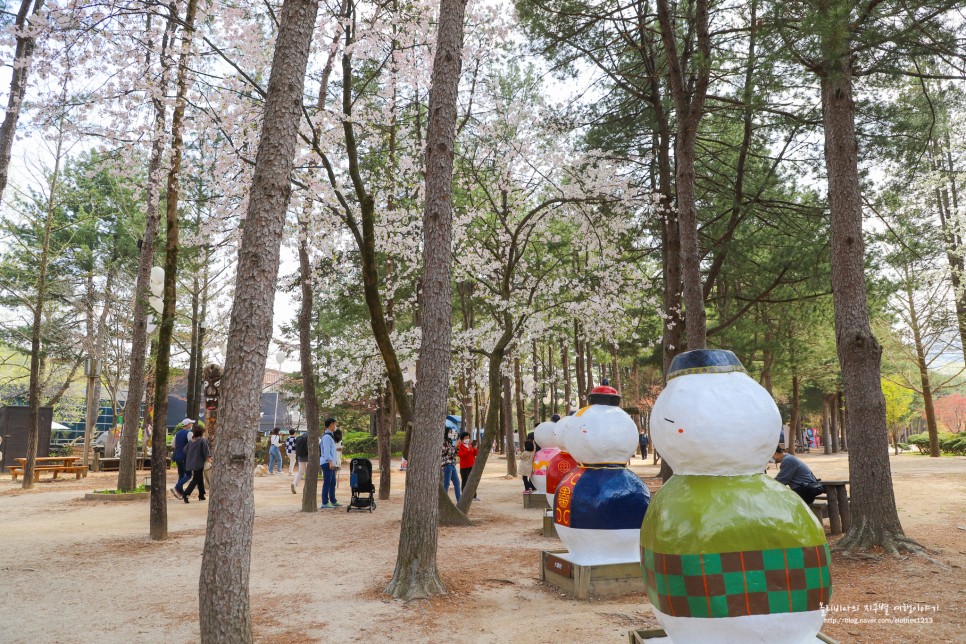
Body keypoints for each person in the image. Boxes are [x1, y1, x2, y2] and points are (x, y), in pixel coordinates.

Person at [182, 425, 211, 503]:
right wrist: (208, 459)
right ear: (202, 432)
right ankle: (186, 493)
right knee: (195, 479)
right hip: (199, 462)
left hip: (191, 462)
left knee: (199, 477)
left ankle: (201, 495)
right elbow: (206, 451)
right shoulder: (202, 440)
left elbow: (185, 450)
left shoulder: (191, 441)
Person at [170, 418, 194, 500]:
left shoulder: (177, 433)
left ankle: (180, 493)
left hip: (177, 456)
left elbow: (172, 445)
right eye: (191, 423)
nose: (192, 425)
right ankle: (176, 487)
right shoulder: (189, 433)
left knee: (181, 475)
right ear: (187, 425)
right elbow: (192, 445)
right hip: (185, 457)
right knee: (189, 475)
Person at [319, 418, 340, 508]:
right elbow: (326, 451)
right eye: (335, 424)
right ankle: (324, 502)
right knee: (327, 482)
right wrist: (330, 461)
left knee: (332, 483)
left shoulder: (330, 436)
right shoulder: (327, 437)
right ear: (331, 424)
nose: (335, 426)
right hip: (327, 462)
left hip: (331, 463)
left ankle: (333, 500)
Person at [457, 431, 479, 501]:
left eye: (468, 438)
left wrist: (475, 449)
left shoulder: (470, 445)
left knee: (472, 480)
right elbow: (461, 455)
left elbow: (474, 454)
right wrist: (468, 451)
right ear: (462, 439)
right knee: (465, 481)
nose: (467, 439)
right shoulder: (460, 446)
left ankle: (474, 496)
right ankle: (464, 496)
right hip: (464, 467)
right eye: (466, 438)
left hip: (472, 465)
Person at [441, 427, 461, 501]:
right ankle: (444, 501)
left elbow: (454, 453)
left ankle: (459, 500)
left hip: (452, 464)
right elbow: (448, 452)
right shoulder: (442, 442)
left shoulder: (449, 442)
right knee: (446, 484)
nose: (450, 434)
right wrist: (455, 446)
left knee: (457, 483)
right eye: (449, 432)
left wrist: (457, 447)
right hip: (446, 465)